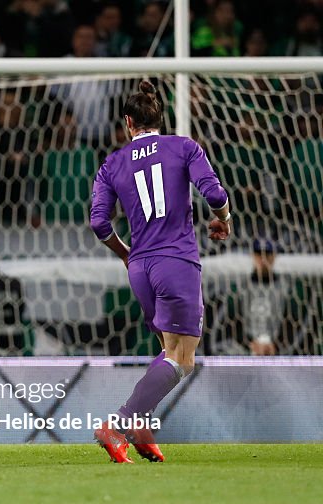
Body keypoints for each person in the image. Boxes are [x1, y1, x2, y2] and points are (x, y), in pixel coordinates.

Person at [89, 81, 231, 464]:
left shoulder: (112, 164)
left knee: (166, 352)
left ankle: (140, 427)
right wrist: (224, 220)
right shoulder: (184, 146)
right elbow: (215, 195)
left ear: (128, 122)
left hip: (140, 267)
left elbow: (99, 223)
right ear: (160, 118)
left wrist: (125, 254)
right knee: (182, 358)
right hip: (176, 261)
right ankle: (117, 425)